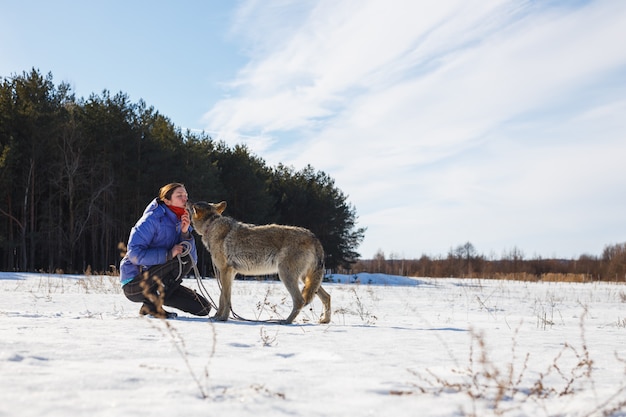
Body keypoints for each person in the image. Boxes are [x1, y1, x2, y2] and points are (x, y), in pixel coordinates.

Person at [120, 183, 211, 318]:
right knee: (180, 259)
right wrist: (168, 254)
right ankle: (152, 307)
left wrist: (185, 234)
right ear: (167, 200)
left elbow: (192, 260)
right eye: (179, 196)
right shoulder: (151, 219)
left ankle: (152, 303)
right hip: (135, 283)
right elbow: (134, 254)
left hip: (162, 282)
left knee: (203, 308)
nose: (184, 199)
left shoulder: (182, 220)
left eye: (186, 195)